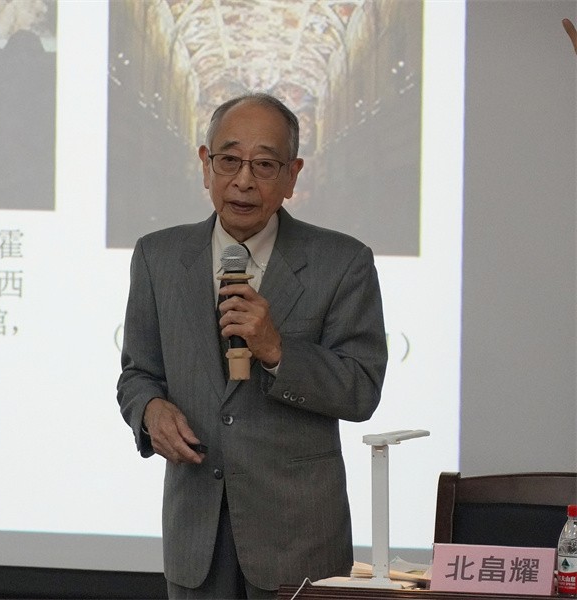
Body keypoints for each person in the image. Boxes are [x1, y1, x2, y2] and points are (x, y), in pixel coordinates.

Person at [117, 92, 388, 599]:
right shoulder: (158, 256)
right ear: (205, 164)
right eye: (229, 160)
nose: (243, 180)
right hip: (196, 536)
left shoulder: (342, 262)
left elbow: (361, 390)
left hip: (299, 543)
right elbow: (137, 374)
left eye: (264, 165)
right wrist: (150, 411)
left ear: (292, 176)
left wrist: (278, 351)